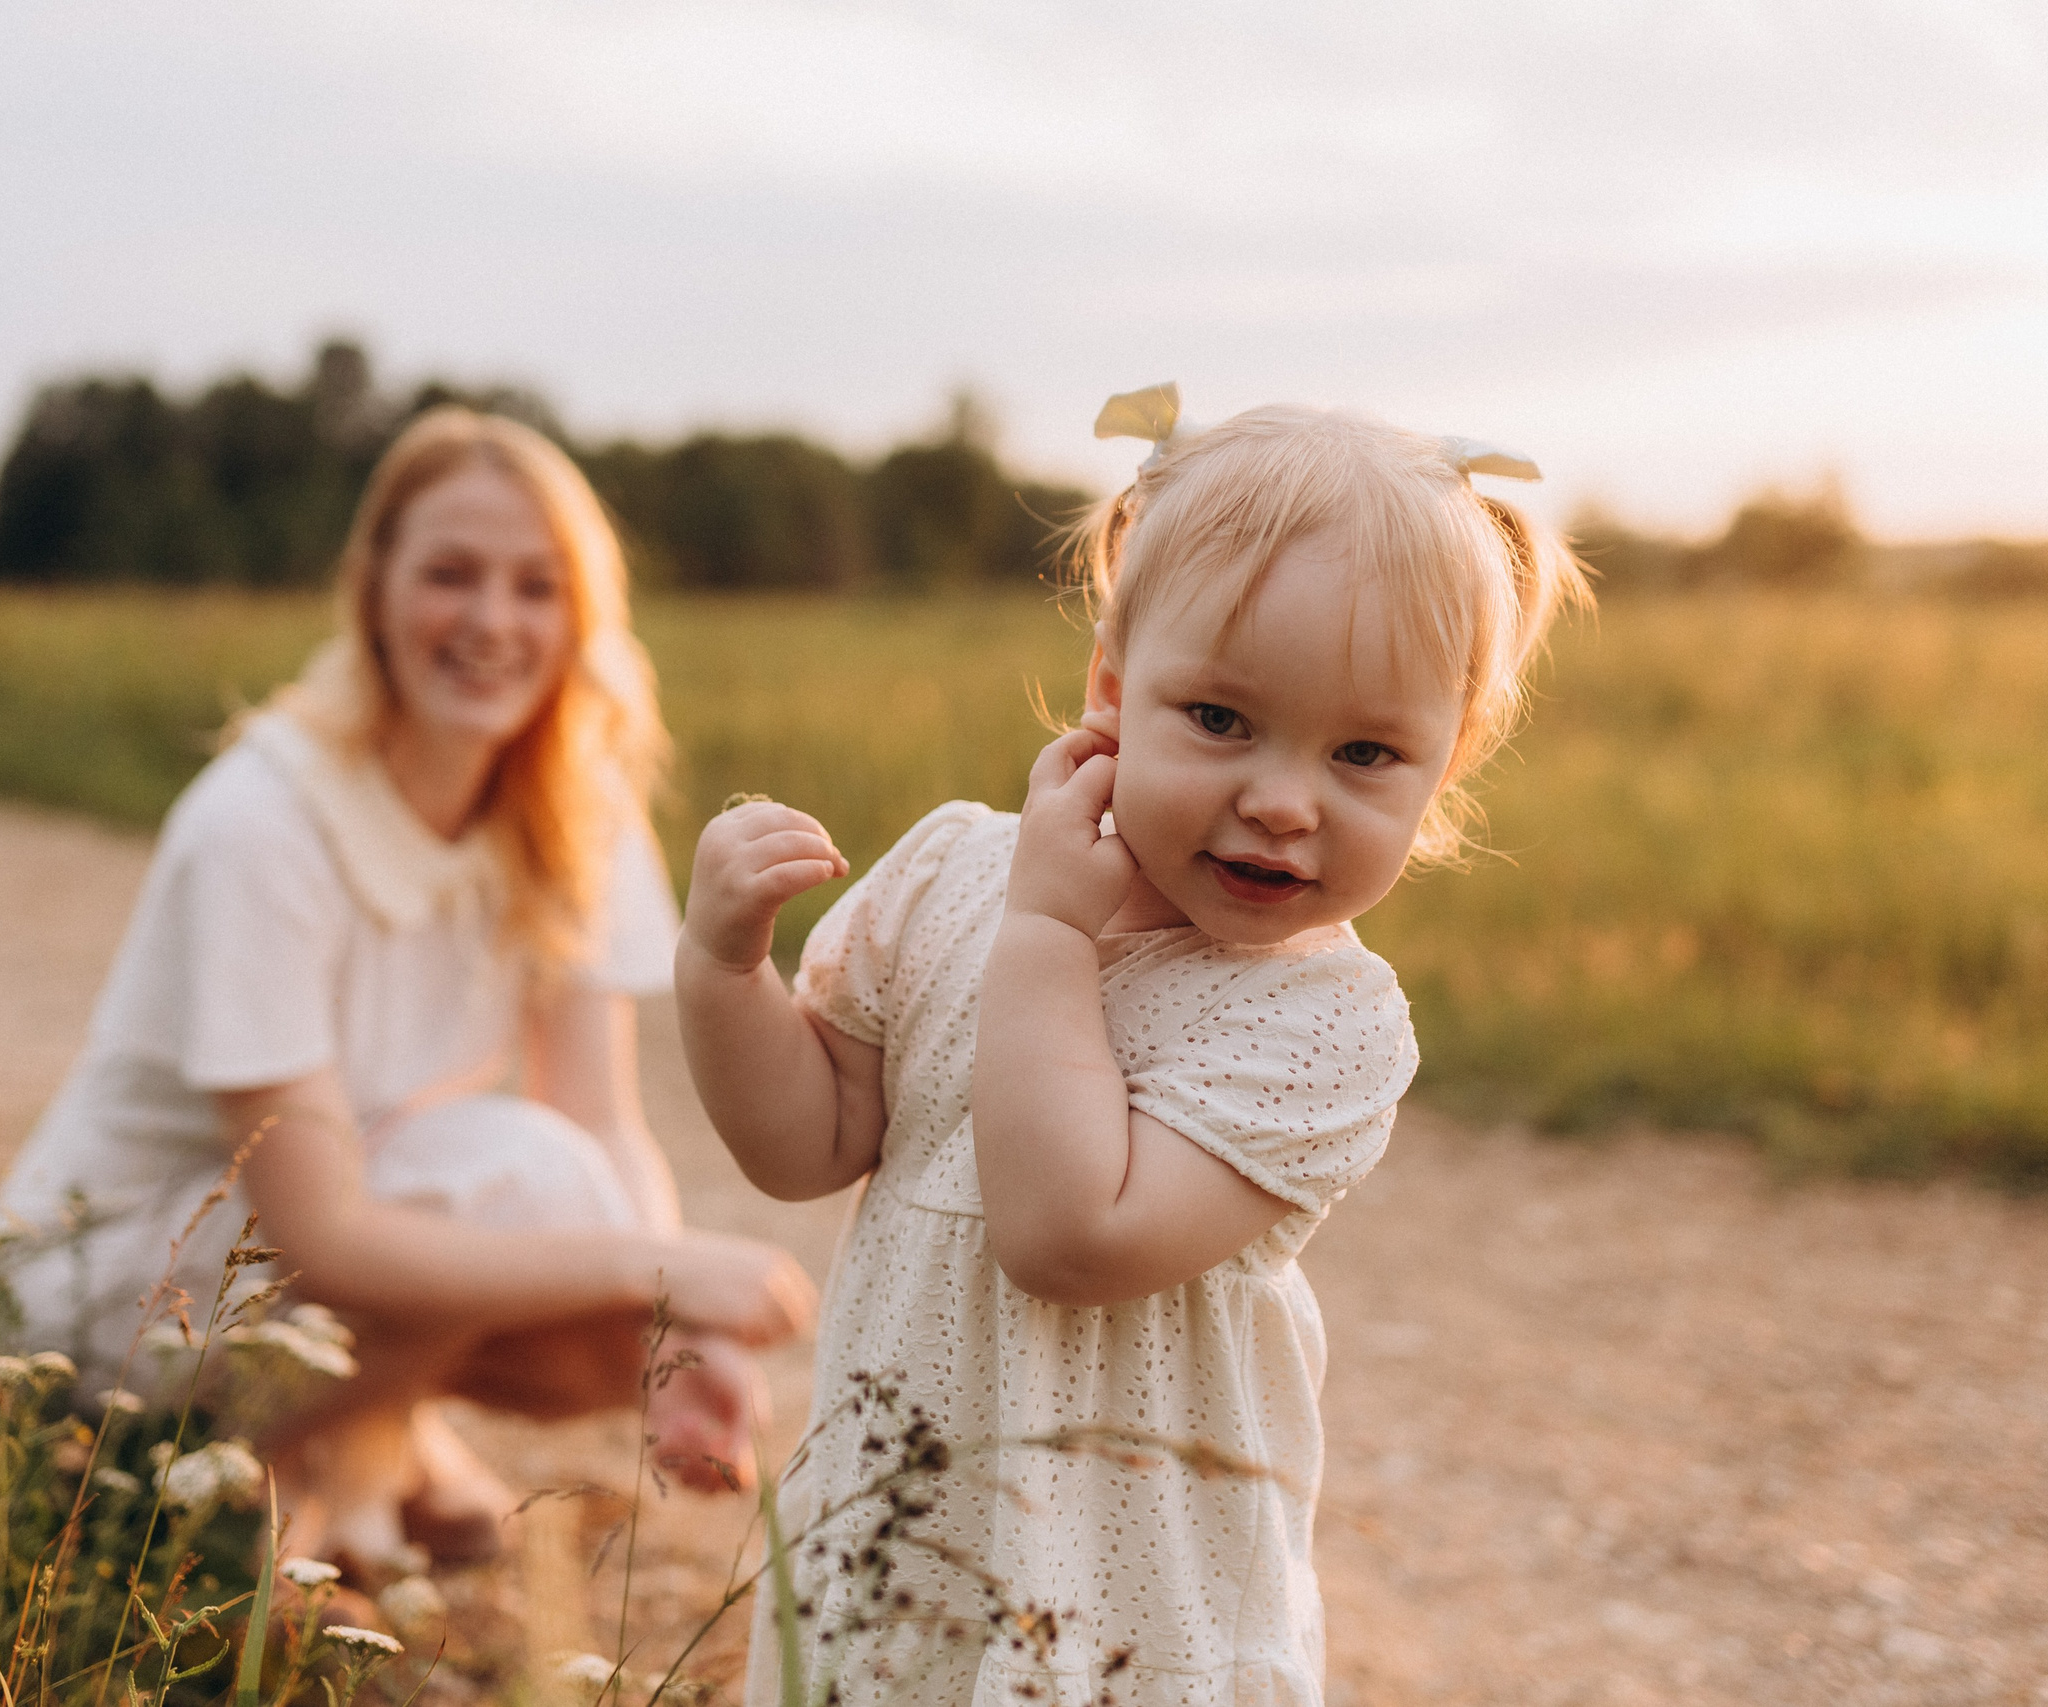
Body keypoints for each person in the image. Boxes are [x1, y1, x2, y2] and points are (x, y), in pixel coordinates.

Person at [675, 389, 1589, 1705]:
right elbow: (802, 1140)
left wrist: (1049, 928)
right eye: (1220, 718)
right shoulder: (952, 872)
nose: (1281, 798)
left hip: (1122, 1598)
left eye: (1366, 751)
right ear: (1114, 684)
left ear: (1444, 770)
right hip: (892, 1544)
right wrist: (722, 968)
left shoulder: (1319, 1023)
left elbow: (1070, 1236)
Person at [0, 406, 817, 1576]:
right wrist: (660, 1273)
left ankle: (365, 1440)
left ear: (582, 615)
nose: (491, 620)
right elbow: (321, 1234)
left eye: (536, 586)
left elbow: (602, 1120)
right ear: (371, 588)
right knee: (522, 1187)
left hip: (307, 1237)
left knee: (580, 1248)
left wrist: (681, 1338)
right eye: (451, 575)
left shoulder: (574, 806)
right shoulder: (260, 823)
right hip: (102, 1300)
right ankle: (243, 1500)